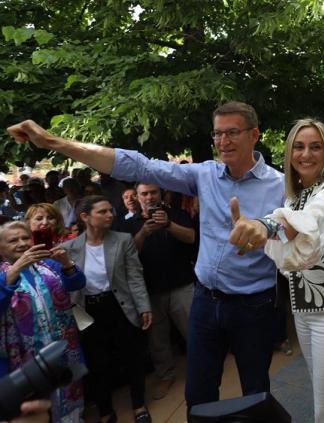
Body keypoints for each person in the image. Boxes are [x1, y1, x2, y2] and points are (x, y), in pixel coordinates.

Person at [6, 101, 285, 411]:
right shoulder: (205, 174)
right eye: (217, 134)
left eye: (232, 132)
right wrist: (52, 142)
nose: (223, 142)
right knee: (199, 395)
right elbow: (137, 165)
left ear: (255, 134)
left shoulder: (279, 186)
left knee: (256, 394)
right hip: (205, 302)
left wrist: (264, 233)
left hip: (253, 305)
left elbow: (297, 242)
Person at [229, 118, 324, 423]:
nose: (306, 154)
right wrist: (258, 238)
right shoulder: (294, 195)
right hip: (304, 310)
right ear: (289, 153)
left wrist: (264, 225)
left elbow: (312, 223)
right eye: (299, 147)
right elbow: (290, 250)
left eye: (316, 147)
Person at [60, 196, 152, 423]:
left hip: (119, 306)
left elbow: (134, 276)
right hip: (88, 311)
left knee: (132, 358)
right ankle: (105, 411)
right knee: (97, 362)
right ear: (85, 217)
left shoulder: (122, 240)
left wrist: (143, 306)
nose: (110, 215)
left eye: (110, 211)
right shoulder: (68, 248)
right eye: (102, 212)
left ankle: (139, 405)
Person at [0, 221, 86, 422]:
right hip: (23, 356)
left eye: (25, 238)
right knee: (36, 406)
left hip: (60, 345)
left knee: (69, 393)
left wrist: (66, 263)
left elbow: (77, 284)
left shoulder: (47, 264)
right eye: (13, 240)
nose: (22, 243)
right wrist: (16, 269)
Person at [121, 182, 197, 400]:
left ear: (161, 193)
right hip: (149, 291)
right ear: (137, 196)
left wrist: (169, 225)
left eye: (153, 192)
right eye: (144, 193)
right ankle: (166, 376)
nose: (149, 197)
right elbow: (127, 257)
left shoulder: (176, 214)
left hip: (182, 284)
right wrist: (143, 233)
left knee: (194, 331)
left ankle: (205, 367)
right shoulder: (129, 224)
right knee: (158, 340)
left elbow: (191, 237)